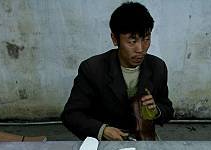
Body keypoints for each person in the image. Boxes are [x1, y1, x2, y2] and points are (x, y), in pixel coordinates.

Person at [61, 2, 174, 140]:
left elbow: (167, 109)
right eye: (132, 41)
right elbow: (71, 115)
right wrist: (102, 130)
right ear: (115, 39)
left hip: (144, 139)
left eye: (146, 39)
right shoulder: (92, 69)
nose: (141, 49)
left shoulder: (158, 67)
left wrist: (156, 110)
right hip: (105, 142)